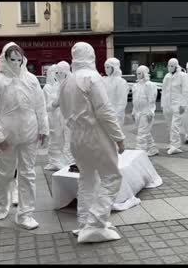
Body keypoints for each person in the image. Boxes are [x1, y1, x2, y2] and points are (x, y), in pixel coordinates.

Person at [58, 42, 125, 243]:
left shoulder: (67, 81)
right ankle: (95, 224)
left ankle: (85, 222)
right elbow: (105, 111)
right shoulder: (92, 78)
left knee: (86, 178)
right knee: (112, 176)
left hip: (76, 137)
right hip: (95, 134)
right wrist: (119, 137)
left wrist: (75, 128)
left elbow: (63, 111)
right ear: (91, 55)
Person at [0, 42, 49, 230]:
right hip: (8, 135)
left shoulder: (30, 79)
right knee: (5, 173)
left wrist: (43, 129)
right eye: (11, 59)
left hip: (29, 133)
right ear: (4, 58)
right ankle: (1, 205)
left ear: (23, 59)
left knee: (27, 173)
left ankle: (25, 213)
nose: (15, 62)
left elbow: (40, 105)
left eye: (18, 59)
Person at [43, 65, 67, 171]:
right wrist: (52, 105)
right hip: (52, 117)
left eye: (58, 72)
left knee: (63, 140)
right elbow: (46, 104)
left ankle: (63, 161)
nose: (56, 75)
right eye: (54, 72)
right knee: (53, 140)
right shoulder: (48, 88)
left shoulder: (66, 85)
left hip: (63, 117)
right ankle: (54, 161)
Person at [131, 65, 159, 156]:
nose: (138, 75)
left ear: (144, 73)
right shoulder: (136, 86)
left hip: (145, 112)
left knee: (141, 133)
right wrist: (134, 111)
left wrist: (150, 111)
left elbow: (151, 99)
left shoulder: (149, 85)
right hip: (138, 112)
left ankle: (139, 153)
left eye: (140, 73)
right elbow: (135, 100)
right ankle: (153, 148)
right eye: (137, 73)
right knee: (145, 131)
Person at [161, 58, 187, 155]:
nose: (170, 67)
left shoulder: (182, 76)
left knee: (175, 126)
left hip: (177, 105)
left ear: (176, 66)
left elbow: (185, 91)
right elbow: (164, 91)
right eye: (169, 65)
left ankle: (175, 146)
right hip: (168, 105)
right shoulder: (167, 76)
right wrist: (163, 104)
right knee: (169, 125)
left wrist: (183, 104)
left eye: (172, 66)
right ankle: (173, 142)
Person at [53, 61, 76, 166]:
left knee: (68, 144)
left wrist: (51, 105)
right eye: (56, 73)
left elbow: (57, 102)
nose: (57, 75)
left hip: (69, 118)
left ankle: (71, 166)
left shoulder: (68, 84)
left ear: (66, 72)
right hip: (64, 117)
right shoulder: (64, 83)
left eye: (60, 73)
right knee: (63, 141)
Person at [103, 58, 129, 127]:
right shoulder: (104, 80)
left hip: (115, 115)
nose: (105, 69)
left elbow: (122, 101)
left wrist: (116, 114)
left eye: (108, 67)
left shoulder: (121, 82)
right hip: (105, 114)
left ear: (114, 68)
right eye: (105, 67)